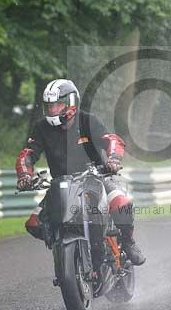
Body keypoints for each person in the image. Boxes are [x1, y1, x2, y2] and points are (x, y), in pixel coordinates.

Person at [15, 78, 146, 265]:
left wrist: (114, 159)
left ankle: (128, 242)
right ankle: (63, 245)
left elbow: (112, 140)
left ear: (71, 103)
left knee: (122, 204)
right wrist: (24, 175)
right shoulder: (41, 128)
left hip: (98, 178)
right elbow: (27, 154)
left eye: (58, 105)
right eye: (49, 106)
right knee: (34, 224)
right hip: (62, 184)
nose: (52, 110)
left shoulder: (87, 120)